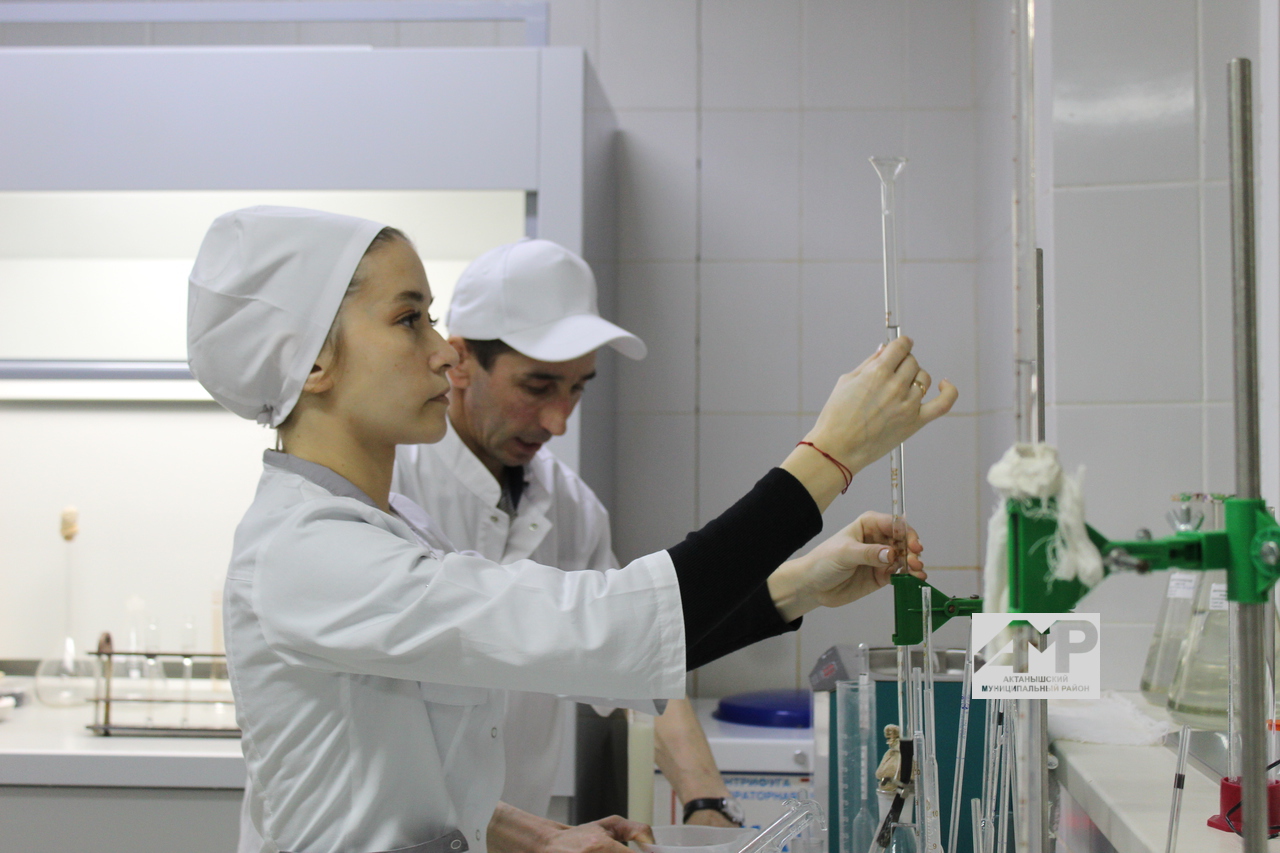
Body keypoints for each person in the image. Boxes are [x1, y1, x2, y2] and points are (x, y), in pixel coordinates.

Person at [187, 206, 956, 853]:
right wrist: (826, 458)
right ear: (311, 361)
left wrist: (796, 585)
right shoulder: (309, 551)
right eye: (409, 318)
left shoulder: (388, 526)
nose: (440, 352)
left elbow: (599, 654)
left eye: (432, 319)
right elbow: (603, 628)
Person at [392, 238, 754, 831]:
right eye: (537, 387)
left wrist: (706, 802)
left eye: (577, 387)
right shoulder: (393, 485)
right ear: (459, 361)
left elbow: (632, 657)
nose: (558, 421)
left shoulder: (570, 506)